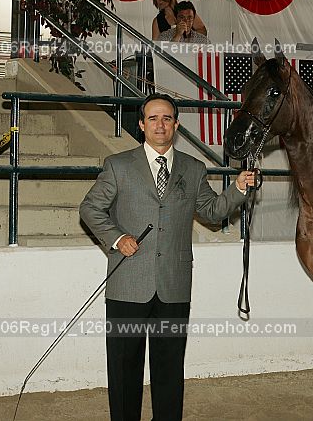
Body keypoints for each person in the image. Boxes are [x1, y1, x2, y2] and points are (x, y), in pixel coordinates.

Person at [79, 93, 255, 420]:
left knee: (170, 369)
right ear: (141, 124)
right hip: (128, 283)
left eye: (167, 118)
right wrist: (117, 238)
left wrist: (239, 189)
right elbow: (90, 208)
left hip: (174, 285)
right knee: (123, 368)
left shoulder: (194, 168)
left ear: (176, 124)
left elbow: (212, 211)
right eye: (153, 118)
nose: (160, 125)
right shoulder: (118, 165)